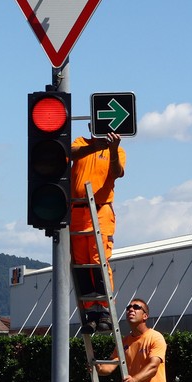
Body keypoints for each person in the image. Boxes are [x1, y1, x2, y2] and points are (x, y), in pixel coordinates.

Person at [70, 127, 125, 334]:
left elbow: (118, 172)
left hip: (100, 210)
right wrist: (95, 146)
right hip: (77, 211)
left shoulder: (118, 150)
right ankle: (90, 313)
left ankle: (104, 312)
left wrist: (111, 148)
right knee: (81, 263)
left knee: (98, 258)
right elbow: (69, 153)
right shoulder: (80, 142)